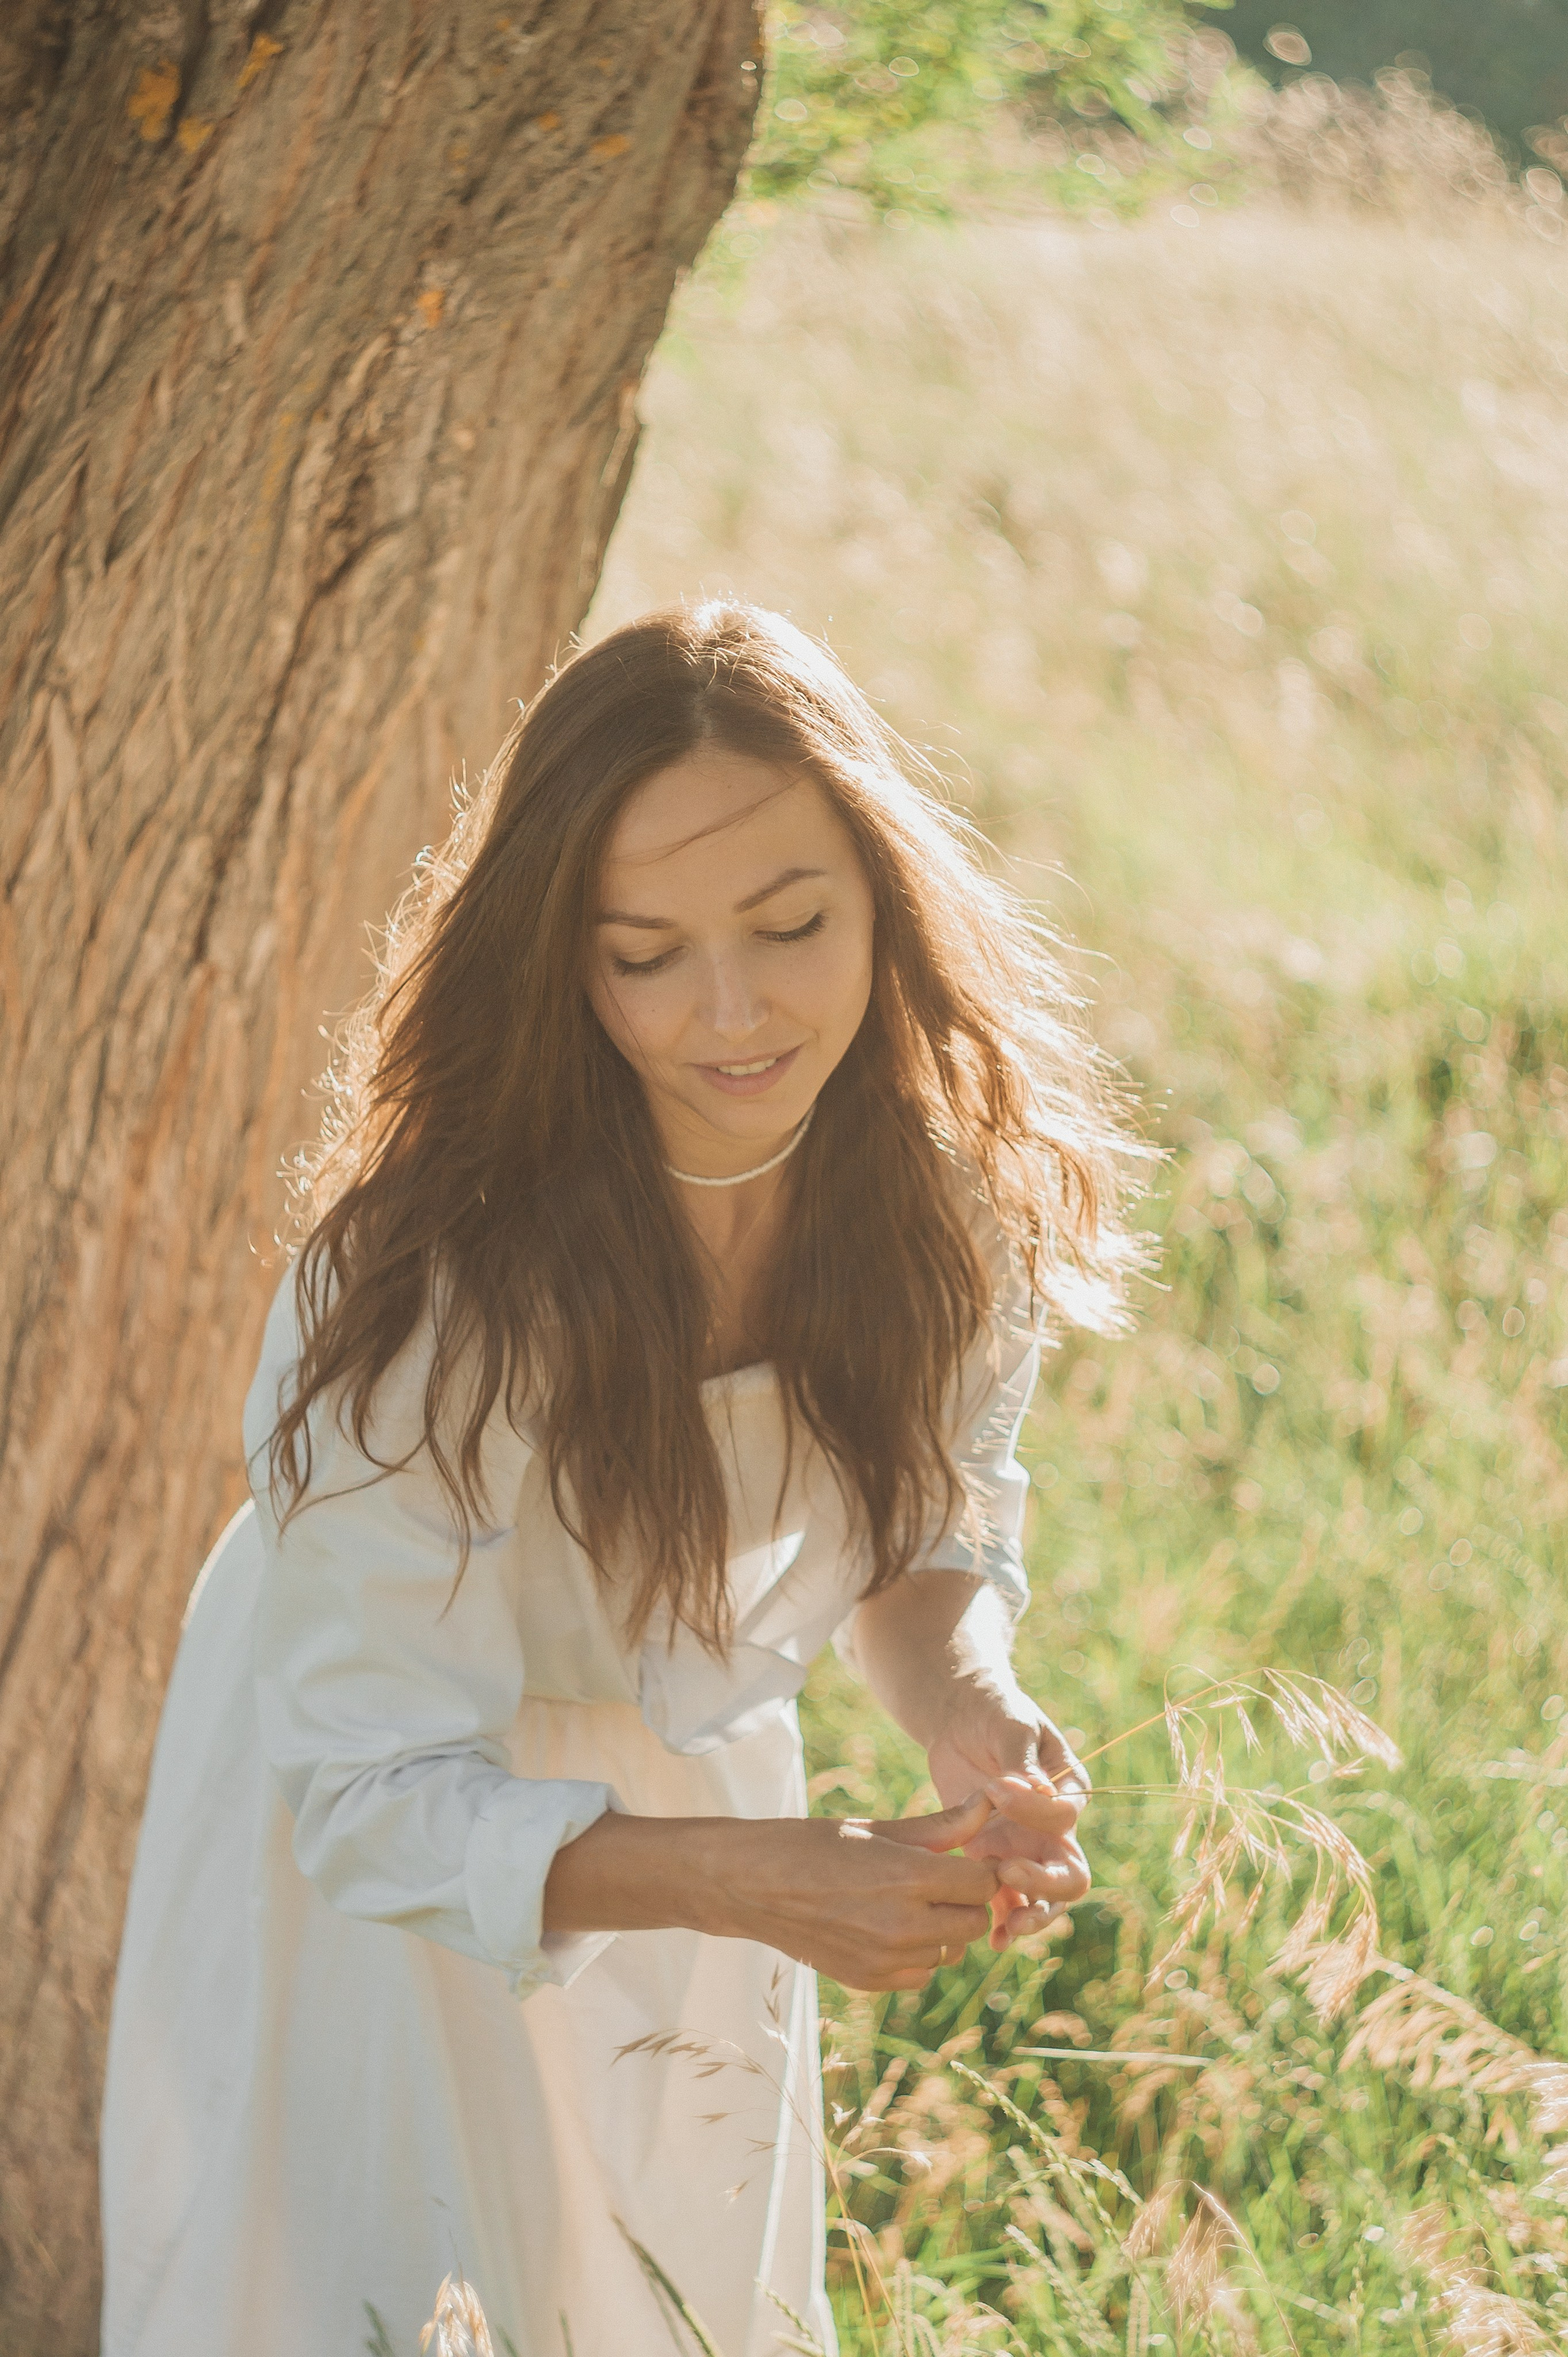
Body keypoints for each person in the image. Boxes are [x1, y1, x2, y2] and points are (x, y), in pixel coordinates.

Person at [100, 603, 1143, 2357]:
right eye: (647, 955)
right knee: (372, 2293)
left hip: (697, 1781)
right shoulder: (434, 1285)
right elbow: (364, 1791)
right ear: (560, 963)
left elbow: (923, 1523)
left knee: (670, 2300)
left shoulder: (946, 1208)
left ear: (884, 896)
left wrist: (970, 1702)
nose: (734, 1012)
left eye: (791, 926)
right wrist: (749, 1876)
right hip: (383, 1812)